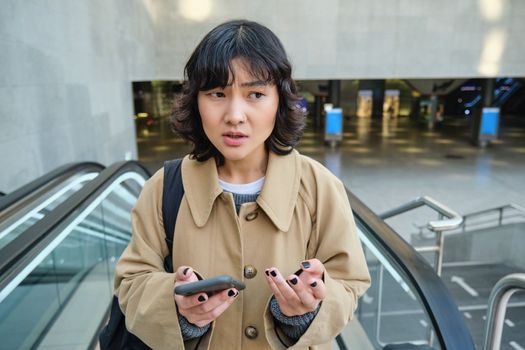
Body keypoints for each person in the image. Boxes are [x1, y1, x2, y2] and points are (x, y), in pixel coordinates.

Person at [114, 19, 370, 349]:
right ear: (196, 101)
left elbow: (349, 282)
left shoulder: (320, 186)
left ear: (280, 101)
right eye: (217, 93)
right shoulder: (164, 187)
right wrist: (178, 310)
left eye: (256, 94)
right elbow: (132, 282)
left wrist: (303, 313)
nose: (235, 115)